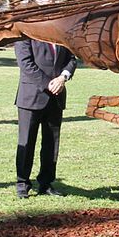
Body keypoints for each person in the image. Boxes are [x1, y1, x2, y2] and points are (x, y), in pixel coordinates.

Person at [13, 37, 77, 198]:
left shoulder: (59, 35)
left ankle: (46, 183)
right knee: (26, 142)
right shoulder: (25, 34)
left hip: (56, 97)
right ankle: (22, 183)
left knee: (51, 144)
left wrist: (63, 77)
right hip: (31, 97)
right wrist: (48, 84)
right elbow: (25, 63)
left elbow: (72, 59)